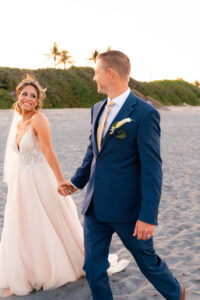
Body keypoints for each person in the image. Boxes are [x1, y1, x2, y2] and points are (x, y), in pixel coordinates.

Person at [60, 51, 186, 300]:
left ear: (110, 73)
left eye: (96, 72)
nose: (94, 78)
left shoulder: (144, 113)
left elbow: (152, 170)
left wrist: (148, 217)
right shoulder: (97, 109)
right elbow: (93, 153)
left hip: (129, 211)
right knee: (93, 268)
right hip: (95, 206)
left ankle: (177, 293)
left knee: (147, 263)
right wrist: (76, 182)